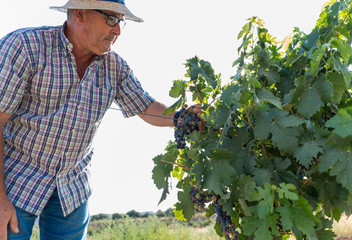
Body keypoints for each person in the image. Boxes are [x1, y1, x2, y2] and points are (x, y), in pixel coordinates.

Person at [0, 0, 202, 239]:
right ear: (80, 14)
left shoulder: (115, 67)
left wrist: (182, 118)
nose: (117, 30)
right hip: (16, 180)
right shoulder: (25, 47)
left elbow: (146, 106)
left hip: (71, 188)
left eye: (120, 23)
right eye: (111, 19)